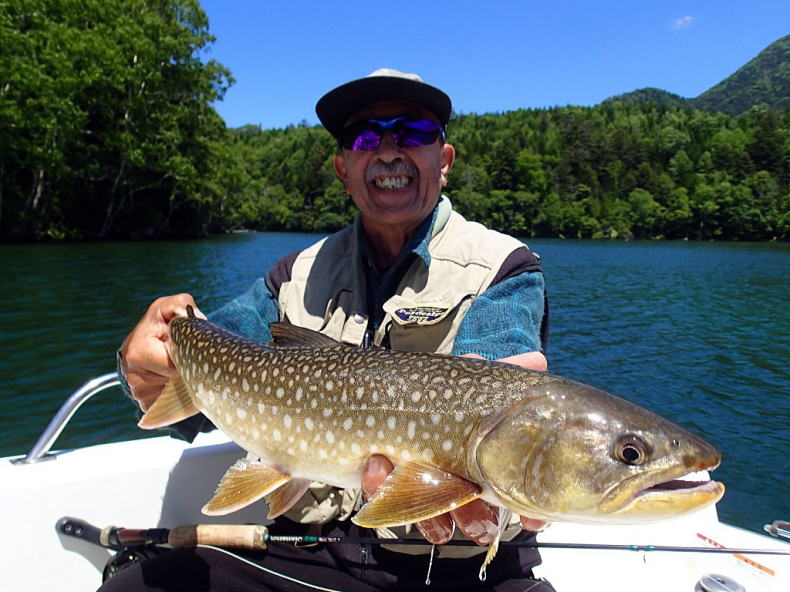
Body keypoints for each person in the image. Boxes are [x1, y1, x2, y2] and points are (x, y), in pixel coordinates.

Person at [108, 69, 554, 592]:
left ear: (445, 161)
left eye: (411, 131)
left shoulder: (506, 267)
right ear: (344, 168)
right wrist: (140, 361)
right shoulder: (290, 276)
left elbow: (497, 369)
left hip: (460, 565)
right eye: (366, 135)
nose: (388, 150)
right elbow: (204, 357)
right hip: (311, 554)